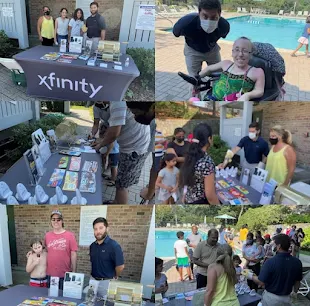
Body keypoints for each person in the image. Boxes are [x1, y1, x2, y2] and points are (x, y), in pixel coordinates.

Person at [91, 102, 151, 204]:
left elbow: (114, 133)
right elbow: (111, 128)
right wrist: (98, 139)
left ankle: (120, 206)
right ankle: (115, 202)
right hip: (132, 147)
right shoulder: (114, 101)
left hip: (134, 149)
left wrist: (100, 145)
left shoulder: (117, 102)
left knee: (122, 186)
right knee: (120, 182)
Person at [173, 0, 230, 77]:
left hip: (212, 50)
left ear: (219, 14)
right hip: (192, 50)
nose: (209, 21)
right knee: (194, 79)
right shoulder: (186, 24)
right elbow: (176, 33)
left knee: (218, 76)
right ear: (199, 13)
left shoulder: (224, 26)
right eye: (205, 16)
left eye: (213, 17)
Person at [243, 234, 303, 306]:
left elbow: (261, 282)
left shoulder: (270, 262)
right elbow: (297, 282)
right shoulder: (297, 262)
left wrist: (249, 275)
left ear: (279, 246)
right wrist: (295, 293)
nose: (272, 246)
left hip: (272, 299)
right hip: (288, 299)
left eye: (274, 244)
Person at [199, 37, 265, 101]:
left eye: (245, 51)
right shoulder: (226, 64)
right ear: (232, 52)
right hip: (211, 98)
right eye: (237, 50)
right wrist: (196, 78)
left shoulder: (257, 72)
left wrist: (247, 95)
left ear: (251, 55)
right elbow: (209, 69)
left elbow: (259, 91)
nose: (240, 54)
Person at [180, 123, 219, 204]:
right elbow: (210, 196)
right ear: (209, 139)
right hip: (199, 202)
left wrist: (184, 195)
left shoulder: (191, 156)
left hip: (188, 199)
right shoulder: (207, 161)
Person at [90, 217, 124, 297]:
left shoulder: (114, 246)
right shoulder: (92, 246)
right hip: (93, 281)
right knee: (90, 302)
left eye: (101, 228)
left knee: (106, 303)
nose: (98, 231)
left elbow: (120, 266)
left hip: (107, 282)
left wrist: (115, 276)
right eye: (95, 229)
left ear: (107, 229)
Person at [45, 210, 78, 290]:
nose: (56, 221)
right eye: (53, 219)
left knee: (64, 299)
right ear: (51, 221)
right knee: (51, 297)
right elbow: (44, 250)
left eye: (58, 219)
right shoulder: (47, 235)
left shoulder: (70, 235)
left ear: (62, 221)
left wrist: (73, 271)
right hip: (50, 274)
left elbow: (73, 254)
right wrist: (32, 252)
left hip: (65, 274)